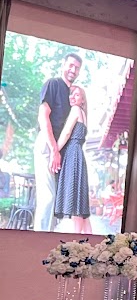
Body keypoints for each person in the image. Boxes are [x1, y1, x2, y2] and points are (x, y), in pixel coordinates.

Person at [33, 53, 80, 231]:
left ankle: (47, 240)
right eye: (71, 65)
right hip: (48, 145)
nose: (73, 70)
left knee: (56, 202)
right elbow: (43, 117)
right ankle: (38, 240)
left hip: (59, 150)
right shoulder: (53, 84)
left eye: (77, 68)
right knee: (47, 198)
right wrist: (54, 150)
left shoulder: (72, 95)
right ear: (63, 65)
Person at [53, 84, 92, 233]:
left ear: (83, 99)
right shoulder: (83, 114)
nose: (73, 97)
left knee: (76, 204)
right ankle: (90, 241)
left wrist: (55, 151)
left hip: (72, 155)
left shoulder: (75, 110)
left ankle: (75, 240)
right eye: (71, 94)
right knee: (80, 206)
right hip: (77, 154)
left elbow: (66, 133)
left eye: (77, 95)